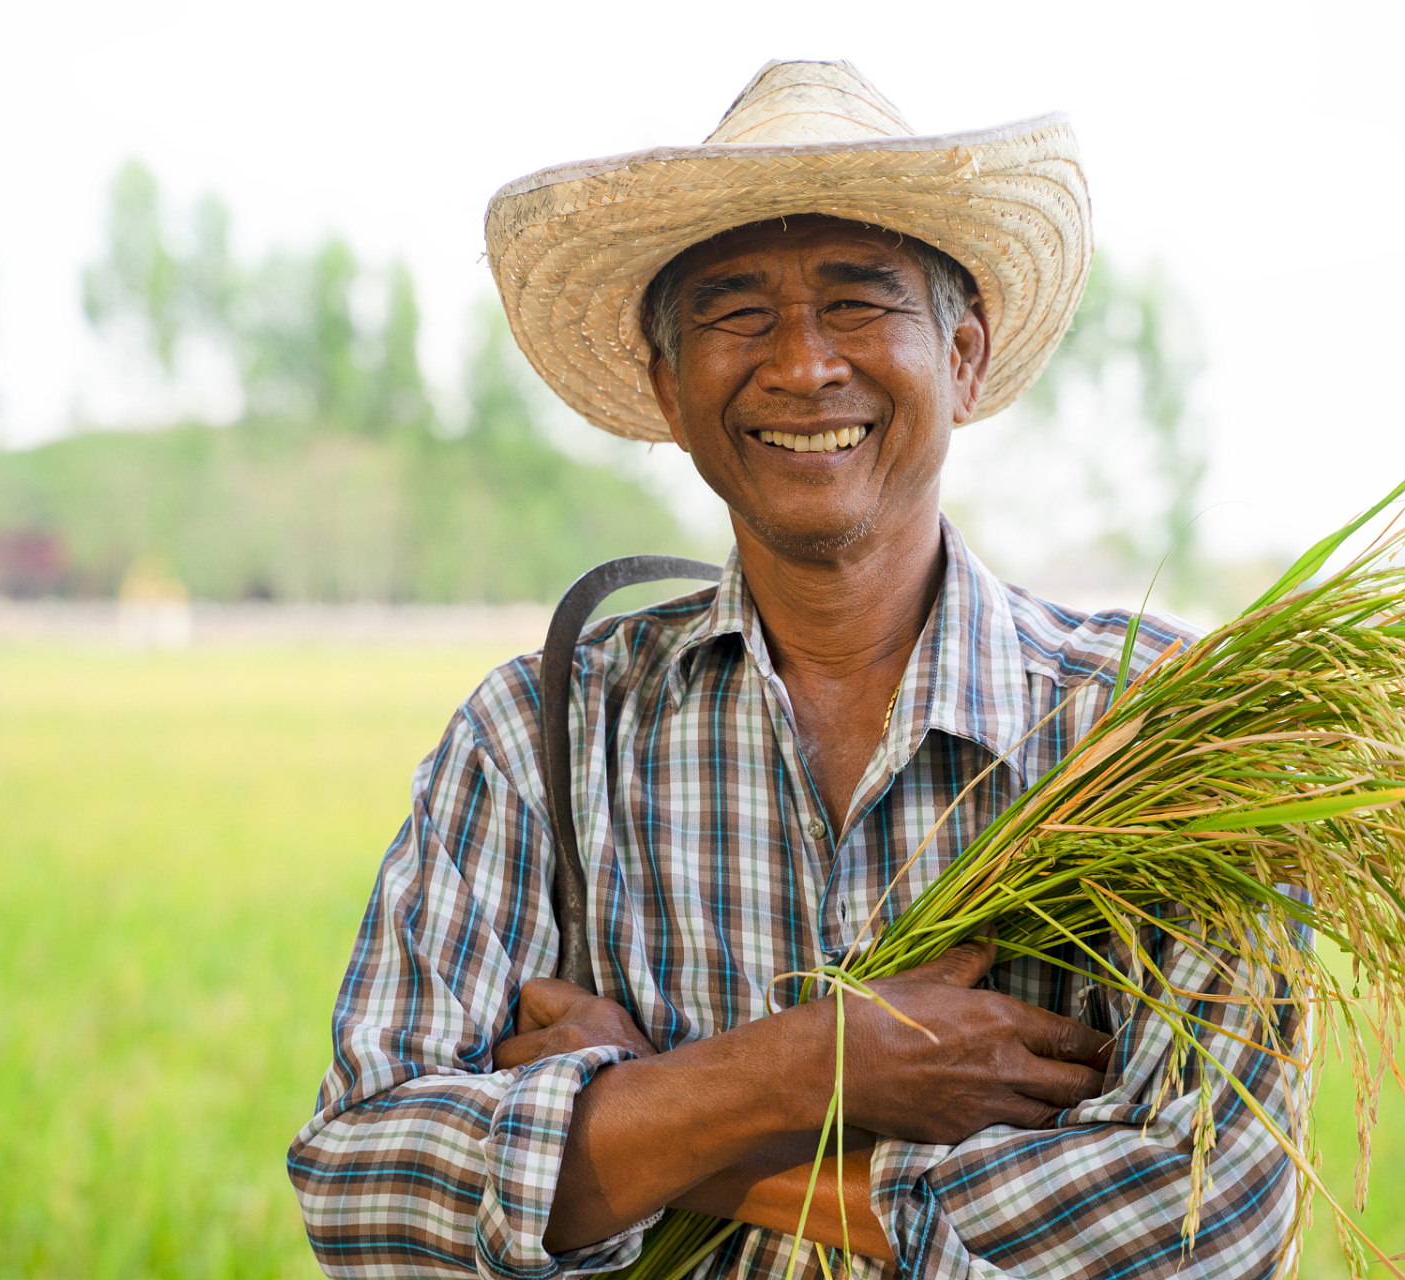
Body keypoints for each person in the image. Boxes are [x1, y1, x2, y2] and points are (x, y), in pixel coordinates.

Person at [289, 61, 1302, 1280]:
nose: (802, 363)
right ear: (671, 387)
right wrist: (818, 1060)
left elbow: (1215, 1217)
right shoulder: (542, 734)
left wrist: (668, 1118)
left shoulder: (1145, 737)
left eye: (859, 301)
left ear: (965, 358)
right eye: (734, 312)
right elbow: (360, 1182)